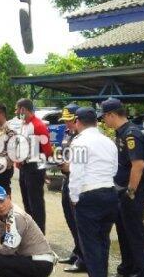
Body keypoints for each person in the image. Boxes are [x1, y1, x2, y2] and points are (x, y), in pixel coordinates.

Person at [101, 98, 144, 277]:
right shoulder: (121, 132)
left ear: (111, 114)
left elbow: (138, 165)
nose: (104, 121)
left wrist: (130, 192)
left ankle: (139, 272)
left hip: (132, 192)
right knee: (123, 231)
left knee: (134, 233)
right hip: (122, 191)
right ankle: (127, 268)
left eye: (104, 117)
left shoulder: (131, 134)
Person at [68, 107, 119, 277]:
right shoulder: (108, 141)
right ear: (96, 123)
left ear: (78, 122)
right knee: (103, 242)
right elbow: (114, 169)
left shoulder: (80, 142)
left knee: (90, 246)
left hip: (89, 196)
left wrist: (74, 197)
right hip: (110, 194)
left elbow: (76, 172)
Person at [0, 185, 55, 277]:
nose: (0, 206)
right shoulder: (4, 214)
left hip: (40, 263)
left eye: (1, 201)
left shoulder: (16, 216)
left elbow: (9, 249)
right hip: (32, 260)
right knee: (3, 243)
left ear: (8, 198)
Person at [55, 103, 86, 273]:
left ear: (77, 119)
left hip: (78, 181)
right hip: (67, 180)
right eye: (65, 120)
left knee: (78, 221)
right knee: (69, 217)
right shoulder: (68, 134)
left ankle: (83, 258)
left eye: (69, 120)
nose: (66, 124)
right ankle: (77, 251)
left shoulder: (83, 137)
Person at [14, 98, 51, 234]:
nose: (16, 112)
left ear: (23, 110)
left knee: (36, 203)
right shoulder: (24, 124)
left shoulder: (38, 125)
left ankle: (40, 233)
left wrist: (41, 169)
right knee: (27, 201)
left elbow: (47, 150)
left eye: (17, 109)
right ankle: (30, 232)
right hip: (24, 168)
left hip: (34, 168)